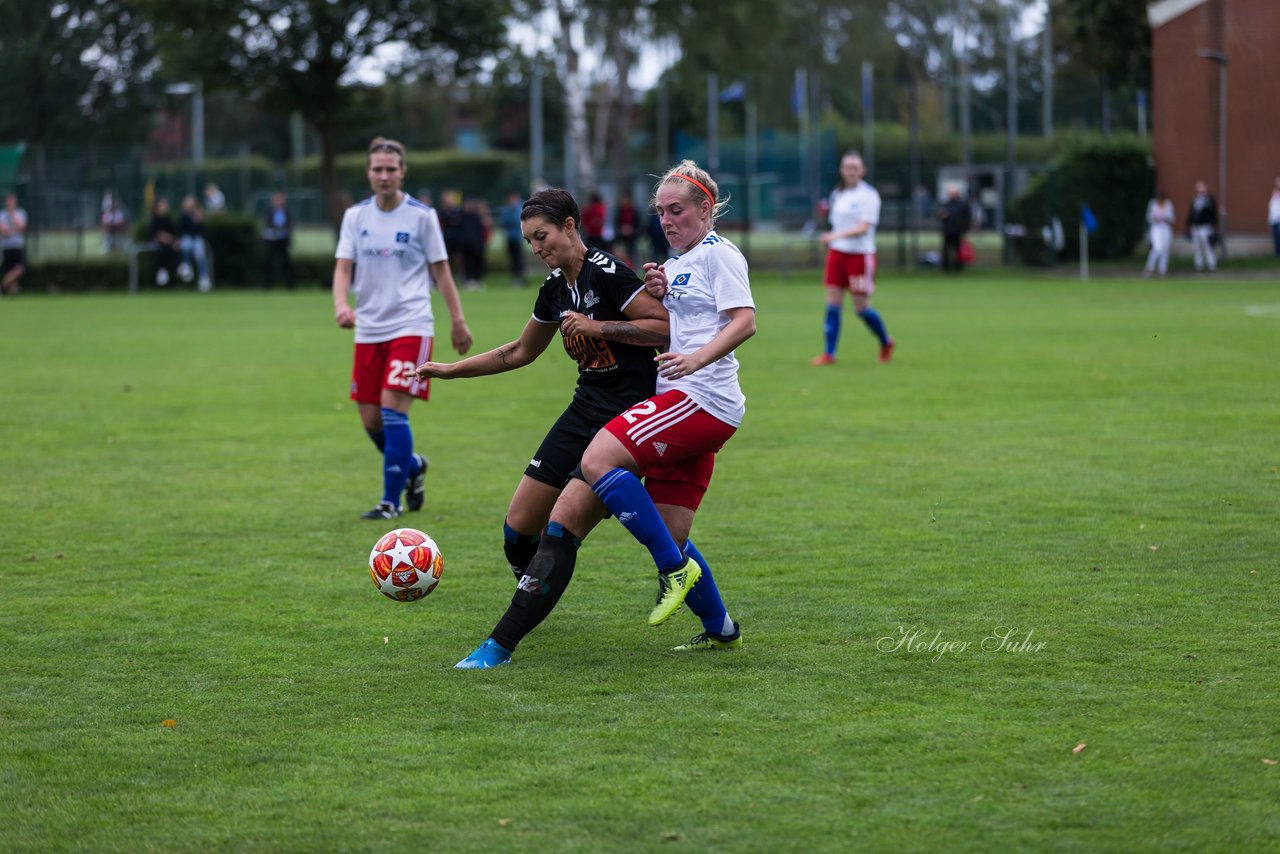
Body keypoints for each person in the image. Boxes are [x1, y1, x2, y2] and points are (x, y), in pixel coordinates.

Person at [453, 160, 755, 669]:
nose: (665, 219)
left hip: (691, 401)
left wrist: (690, 356)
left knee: (586, 482)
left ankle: (501, 644)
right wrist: (662, 284)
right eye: (660, 211)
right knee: (667, 529)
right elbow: (675, 315)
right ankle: (721, 628)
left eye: (676, 210)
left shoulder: (713, 256)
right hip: (666, 402)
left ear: (706, 209)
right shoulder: (678, 262)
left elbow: (738, 322)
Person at [413, 188, 672, 667]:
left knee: (561, 525)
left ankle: (500, 644)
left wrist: (600, 328)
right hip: (583, 411)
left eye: (542, 236)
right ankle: (539, 589)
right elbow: (519, 352)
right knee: (517, 531)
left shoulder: (610, 273)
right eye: (530, 241)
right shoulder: (555, 288)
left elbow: (663, 327)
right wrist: (450, 370)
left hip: (628, 420)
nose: (536, 248)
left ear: (570, 226)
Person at [332, 137, 474, 520]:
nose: (383, 175)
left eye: (390, 169)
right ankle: (412, 467)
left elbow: (441, 270)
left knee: (393, 411)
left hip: (412, 325)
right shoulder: (355, 216)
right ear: (368, 173)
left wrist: (457, 320)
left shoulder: (421, 216)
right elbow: (343, 267)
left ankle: (389, 502)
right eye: (377, 169)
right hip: (369, 328)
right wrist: (342, 304)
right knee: (370, 419)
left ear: (402, 172)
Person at [811, 151, 892, 366]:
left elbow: (864, 227)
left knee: (861, 307)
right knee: (832, 303)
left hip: (859, 256)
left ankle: (885, 341)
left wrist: (834, 235)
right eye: (848, 167)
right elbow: (838, 225)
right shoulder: (838, 194)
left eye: (855, 167)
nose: (851, 171)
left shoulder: (869, 195)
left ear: (862, 170)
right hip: (837, 255)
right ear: (842, 170)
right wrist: (833, 240)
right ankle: (830, 353)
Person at [178, 195, 212, 291]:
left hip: (197, 239)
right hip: (187, 239)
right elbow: (181, 230)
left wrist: (199, 219)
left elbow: (201, 230)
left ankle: (204, 277)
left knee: (199, 253)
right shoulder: (183, 215)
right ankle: (186, 266)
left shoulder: (198, 214)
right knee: (187, 244)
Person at [263, 191, 295, 289]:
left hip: (283, 240)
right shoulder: (269, 211)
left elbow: (290, 224)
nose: (279, 201)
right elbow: (267, 224)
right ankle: (265, 285)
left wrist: (285, 230)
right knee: (268, 262)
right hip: (272, 240)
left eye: (280, 199)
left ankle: (290, 285)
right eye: (277, 199)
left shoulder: (287, 211)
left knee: (286, 262)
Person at [1185, 180, 1218, 273]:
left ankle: (1212, 265)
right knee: (1197, 248)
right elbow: (1191, 213)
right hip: (1196, 227)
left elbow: (1213, 213)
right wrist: (1189, 224)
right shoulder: (1195, 199)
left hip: (1205, 226)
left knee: (1208, 247)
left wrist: (1213, 225)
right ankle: (1198, 265)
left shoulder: (1209, 200)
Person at [937, 183, 971, 273]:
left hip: (958, 231)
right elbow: (940, 216)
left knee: (958, 250)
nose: (952, 195)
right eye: (951, 193)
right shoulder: (945, 204)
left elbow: (966, 218)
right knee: (945, 250)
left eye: (954, 193)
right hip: (947, 230)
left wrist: (965, 229)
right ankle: (945, 268)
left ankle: (958, 268)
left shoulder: (962, 205)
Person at [497, 190, 527, 287]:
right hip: (509, 238)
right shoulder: (506, 209)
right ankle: (514, 279)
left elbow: (518, 220)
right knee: (512, 260)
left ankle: (521, 278)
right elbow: (504, 222)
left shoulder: (519, 208)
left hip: (518, 237)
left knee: (519, 259)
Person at [1143, 189, 1175, 278]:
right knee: (1157, 247)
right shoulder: (1152, 203)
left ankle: (1162, 270)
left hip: (1166, 228)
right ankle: (1149, 267)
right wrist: (1155, 218)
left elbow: (1172, 218)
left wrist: (1166, 218)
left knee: (1165, 249)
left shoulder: (1168, 204)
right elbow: (1149, 217)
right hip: (1156, 228)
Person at [1, 193, 28, 296]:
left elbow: (21, 227)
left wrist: (12, 215)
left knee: (20, 269)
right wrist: (12, 230)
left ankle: (4, 284)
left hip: (17, 245)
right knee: (8, 270)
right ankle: (13, 291)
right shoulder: (2, 214)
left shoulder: (21, 213)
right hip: (7, 246)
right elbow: (4, 231)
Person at [148, 198, 178, 287]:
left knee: (174, 251)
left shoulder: (168, 219)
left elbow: (174, 233)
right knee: (161, 250)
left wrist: (174, 240)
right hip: (158, 244)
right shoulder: (154, 219)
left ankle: (173, 277)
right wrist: (163, 238)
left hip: (168, 244)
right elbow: (153, 234)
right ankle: (161, 271)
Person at [613, 193, 640, 264]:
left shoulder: (634, 211)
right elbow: (616, 224)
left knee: (632, 254)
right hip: (622, 238)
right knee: (622, 254)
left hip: (632, 238)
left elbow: (639, 225)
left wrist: (632, 231)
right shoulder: (619, 211)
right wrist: (621, 230)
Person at [1268, 177, 1280, 258]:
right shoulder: (1274, 193)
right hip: (1274, 219)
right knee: (1276, 237)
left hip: (1278, 219)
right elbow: (1272, 207)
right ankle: (1277, 253)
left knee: (1278, 237)